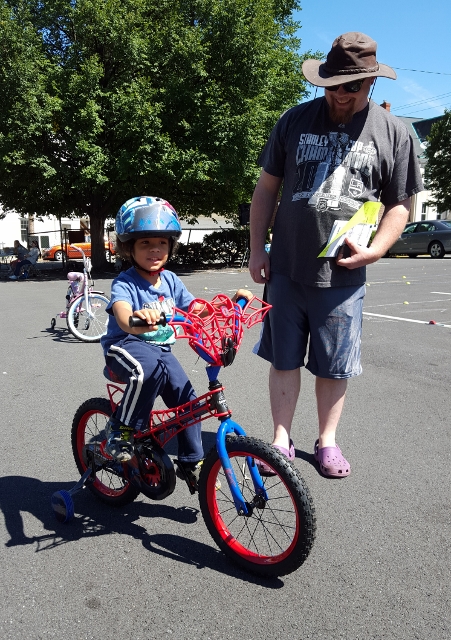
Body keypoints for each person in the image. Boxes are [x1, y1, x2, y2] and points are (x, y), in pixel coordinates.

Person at [248, 32, 423, 478]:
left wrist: (377, 250)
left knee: (334, 364)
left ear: (371, 85)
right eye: (331, 85)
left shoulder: (395, 133)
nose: (339, 95)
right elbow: (267, 188)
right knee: (284, 357)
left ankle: (326, 441)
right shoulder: (293, 121)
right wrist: (256, 249)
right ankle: (280, 439)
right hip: (286, 267)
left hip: (343, 276)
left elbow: (401, 203)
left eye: (351, 86)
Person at [101, 196, 251, 490]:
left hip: (160, 350)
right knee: (146, 371)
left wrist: (225, 305)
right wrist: (137, 318)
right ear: (129, 247)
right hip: (125, 346)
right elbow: (122, 316)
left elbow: (193, 308)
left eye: (162, 243)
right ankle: (119, 429)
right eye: (145, 243)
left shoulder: (170, 280)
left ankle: (190, 460)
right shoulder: (125, 282)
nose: (155, 249)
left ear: (171, 246)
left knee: (190, 402)